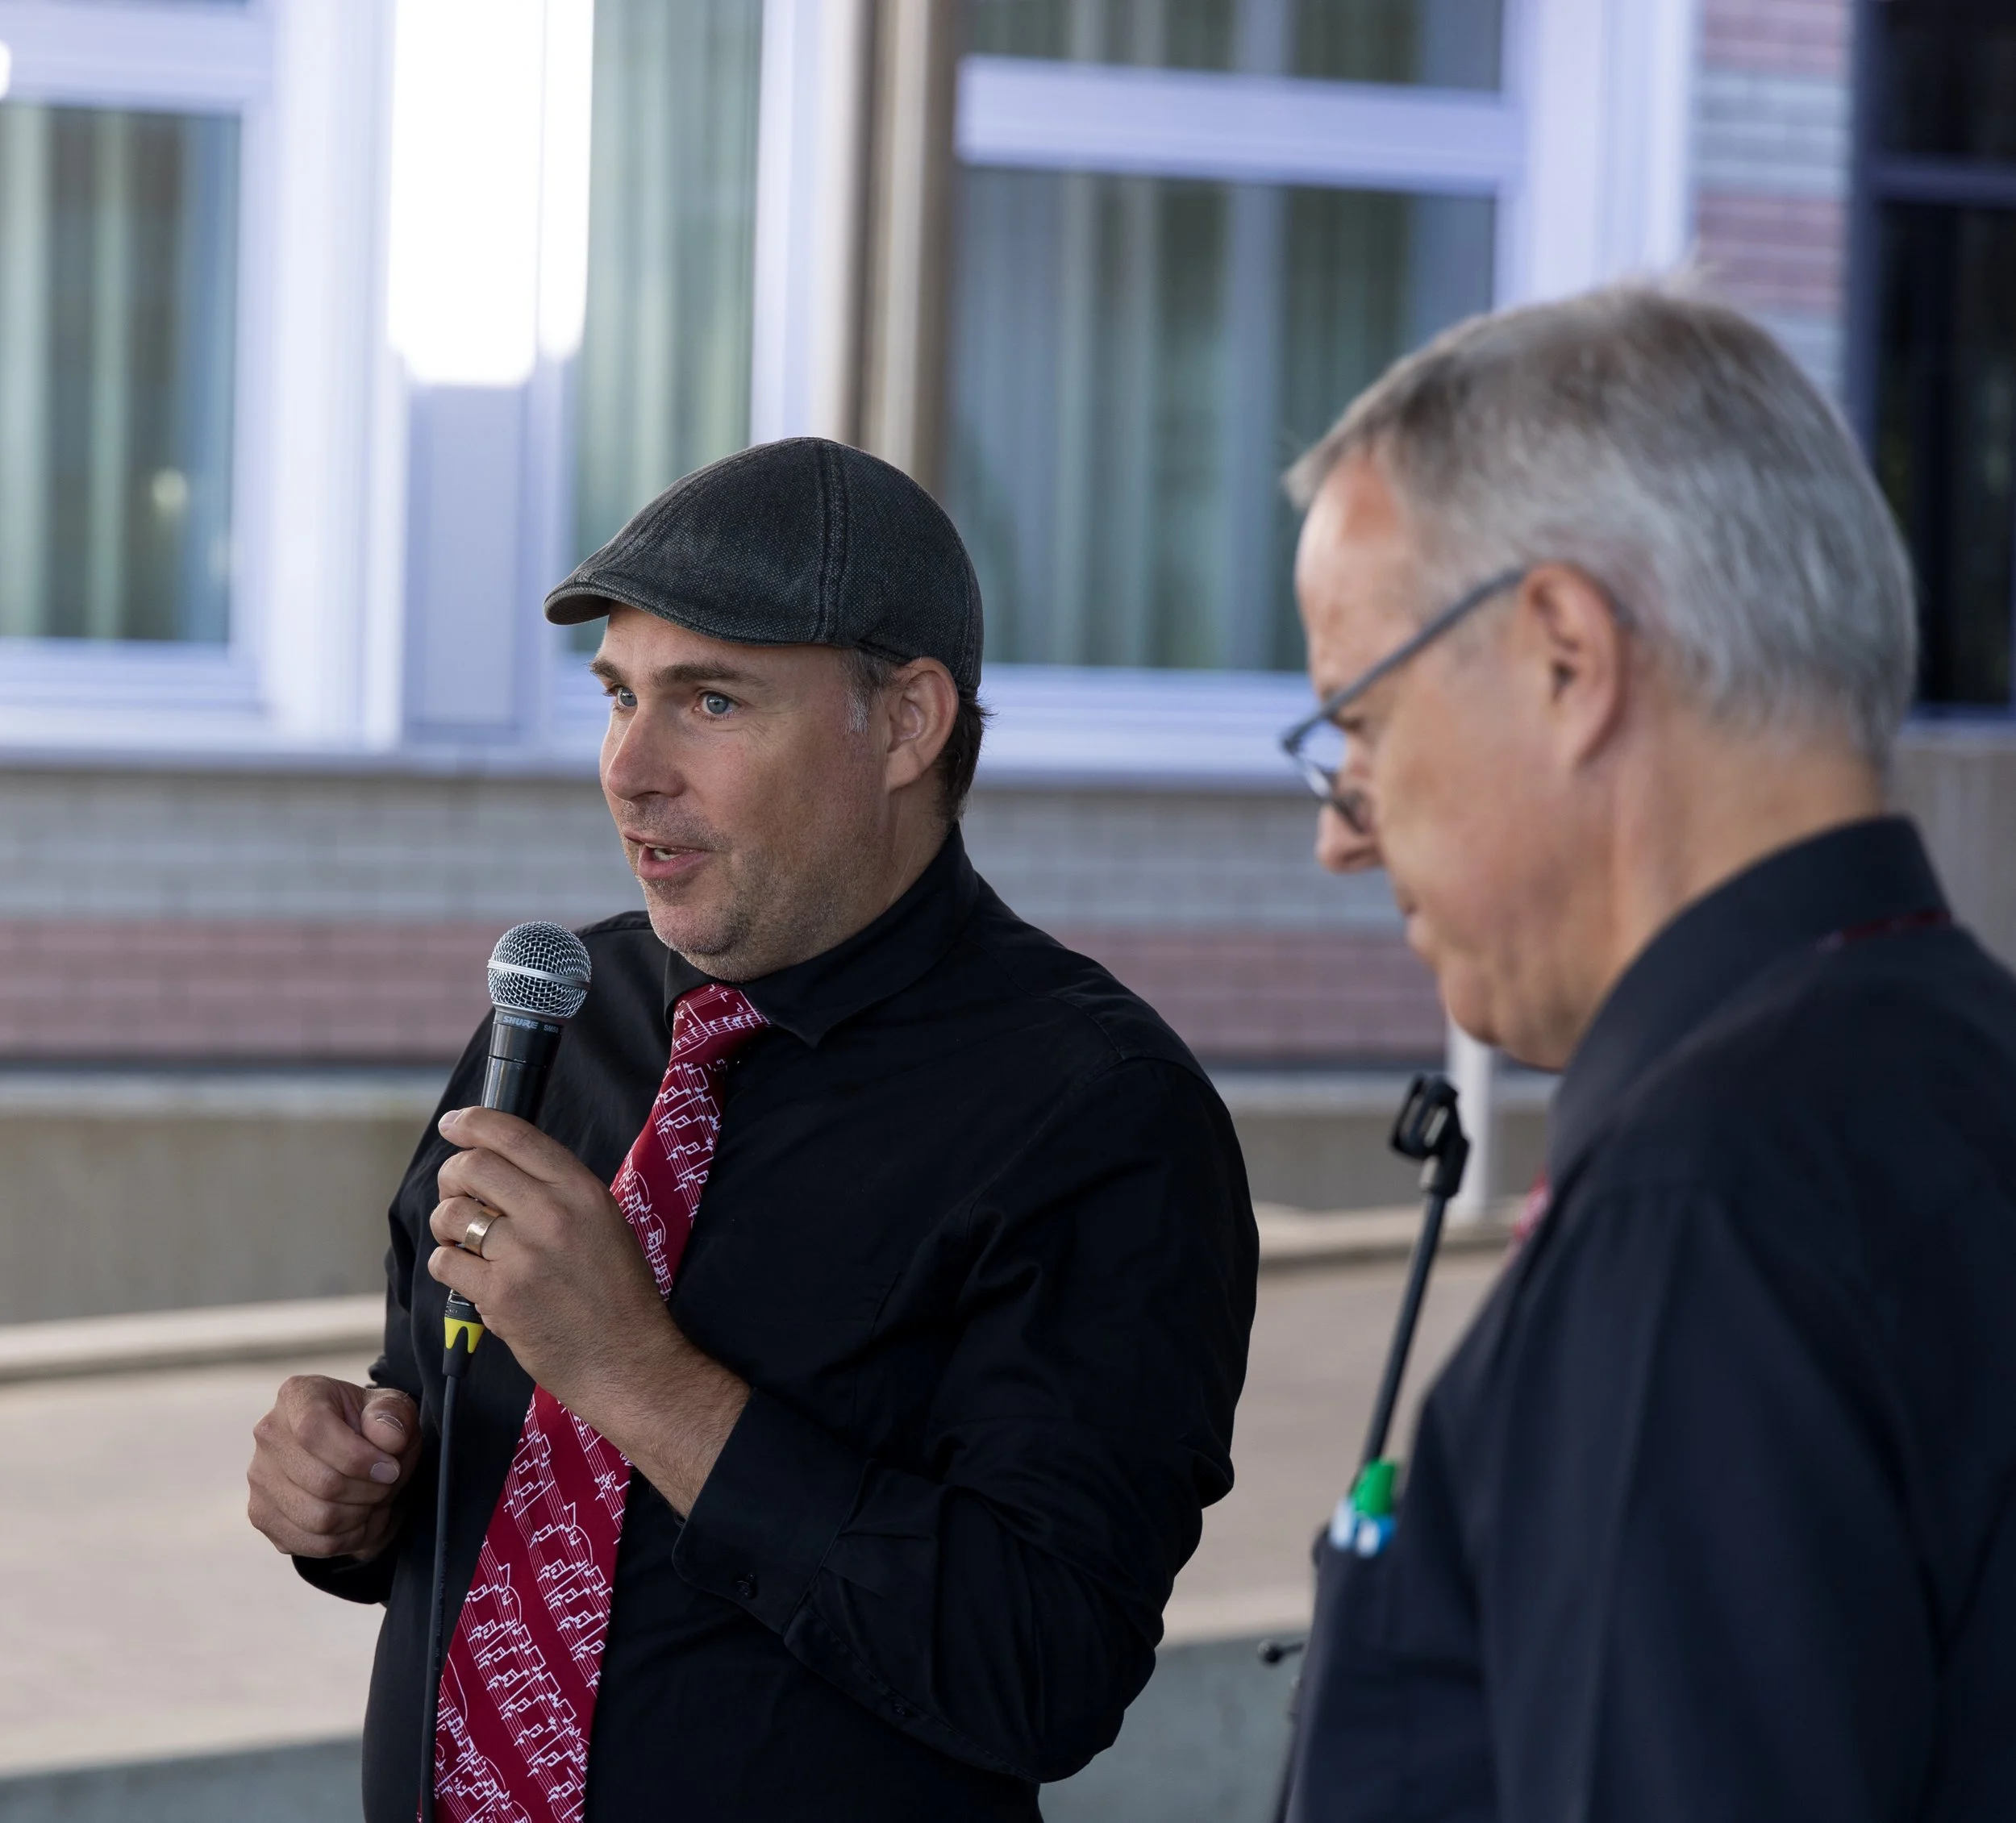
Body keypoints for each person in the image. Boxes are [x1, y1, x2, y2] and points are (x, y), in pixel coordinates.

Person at [245, 437, 1258, 1822]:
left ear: (905, 722)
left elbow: (1045, 1668)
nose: (629, 770)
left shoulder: (1098, 1113)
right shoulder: (562, 1013)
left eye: (710, 702)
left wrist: (641, 1378)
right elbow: (451, 1430)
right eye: (618, 697)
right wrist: (354, 1492)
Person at [1276, 287, 2016, 1821]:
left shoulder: (1701, 1215)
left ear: (1565, 655)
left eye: (1361, 723)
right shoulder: (1957, 1071)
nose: (1342, 832)